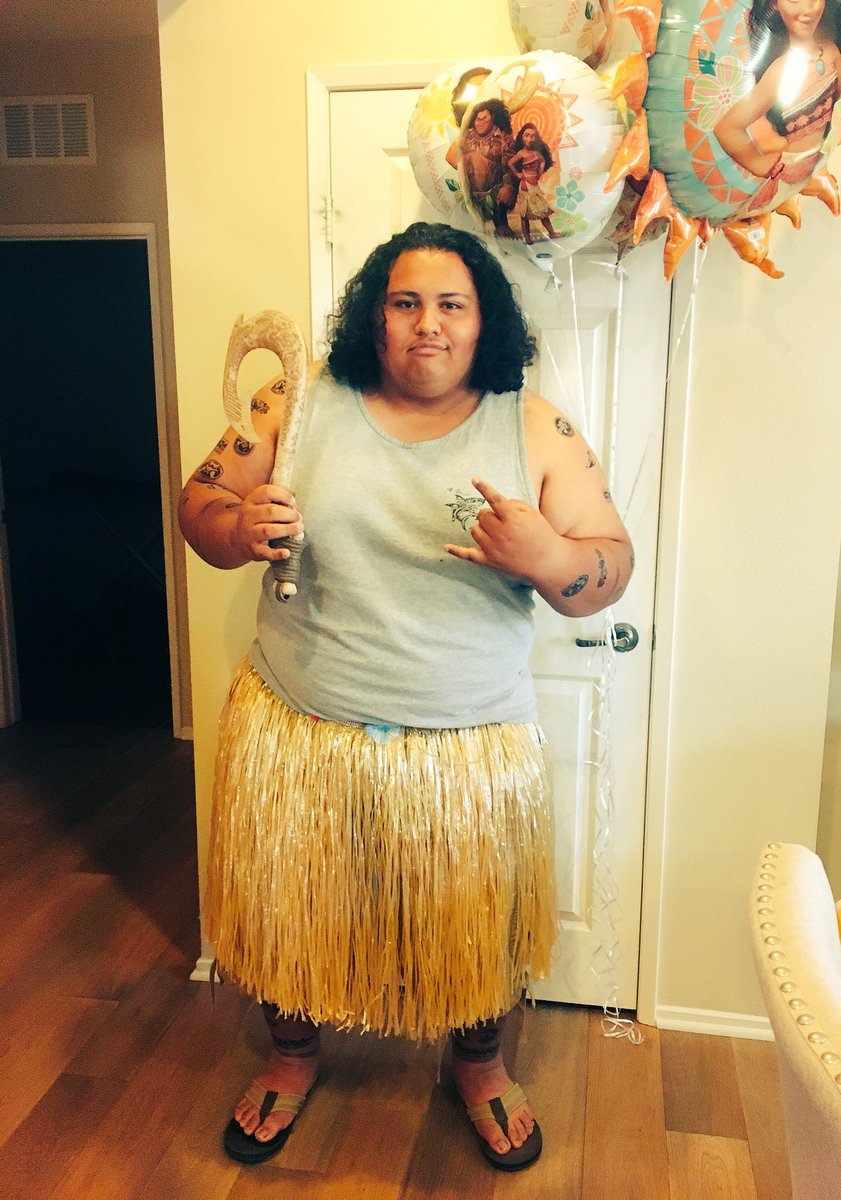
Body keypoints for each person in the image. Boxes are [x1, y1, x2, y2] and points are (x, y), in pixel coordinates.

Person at [178, 221, 634, 1173]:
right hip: (299, 725)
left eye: (451, 304)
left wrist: (547, 555)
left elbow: (610, 564)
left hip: (469, 744)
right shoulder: (294, 397)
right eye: (405, 302)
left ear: (483, 320)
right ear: (374, 317)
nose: (428, 323)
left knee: (477, 926)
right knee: (289, 910)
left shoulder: (534, 425)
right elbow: (199, 506)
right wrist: (238, 526)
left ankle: (480, 1066)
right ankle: (291, 1056)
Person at [714, 0, 841, 207]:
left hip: (820, 163)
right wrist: (757, 162)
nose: (809, 9)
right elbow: (727, 128)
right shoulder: (779, 72)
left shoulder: (829, 50)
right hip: (792, 175)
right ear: (774, 4)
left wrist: (839, 123)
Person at [447, 99, 518, 238]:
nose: (481, 122)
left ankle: (501, 223)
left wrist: (507, 187)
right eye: (477, 119)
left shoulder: (503, 138)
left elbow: (510, 166)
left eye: (484, 118)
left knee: (502, 201)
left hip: (495, 192)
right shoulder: (465, 138)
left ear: (493, 117)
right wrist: (465, 170)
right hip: (473, 192)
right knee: (473, 223)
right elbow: (450, 157)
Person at [507, 123, 563, 246]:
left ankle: (551, 232)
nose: (530, 139)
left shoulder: (537, 153)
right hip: (525, 186)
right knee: (524, 214)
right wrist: (518, 174)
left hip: (535, 186)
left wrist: (540, 172)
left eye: (533, 136)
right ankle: (527, 237)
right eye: (527, 135)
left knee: (542, 211)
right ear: (522, 137)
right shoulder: (521, 153)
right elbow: (510, 163)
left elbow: (543, 161)